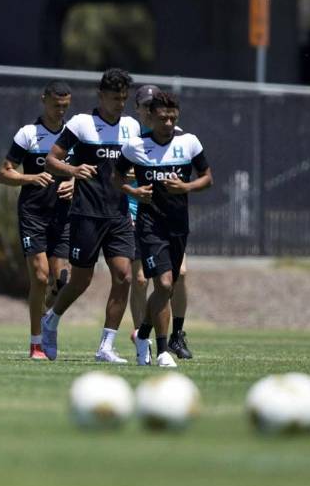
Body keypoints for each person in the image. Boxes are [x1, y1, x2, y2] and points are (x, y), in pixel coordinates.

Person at [40, 68, 141, 362]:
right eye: (114, 98)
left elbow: (131, 165)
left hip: (119, 215)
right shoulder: (82, 124)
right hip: (87, 214)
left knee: (123, 277)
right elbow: (51, 161)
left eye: (123, 98)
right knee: (81, 280)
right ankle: (52, 319)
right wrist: (73, 170)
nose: (120, 104)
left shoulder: (132, 127)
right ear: (101, 96)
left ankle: (106, 347)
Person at [115, 90, 212, 367]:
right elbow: (116, 177)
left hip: (179, 225)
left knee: (167, 288)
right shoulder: (135, 146)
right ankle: (162, 351)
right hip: (150, 224)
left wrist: (186, 187)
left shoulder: (189, 142)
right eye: (162, 117)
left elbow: (207, 178)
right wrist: (132, 193)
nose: (168, 123)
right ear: (151, 116)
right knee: (164, 283)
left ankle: (142, 335)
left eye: (172, 117)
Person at [0, 80, 75, 359]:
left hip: (63, 215)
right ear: (44, 100)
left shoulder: (73, 134)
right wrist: (31, 177)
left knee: (64, 279)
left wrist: (74, 184)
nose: (60, 111)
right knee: (40, 277)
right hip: (33, 213)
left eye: (65, 106)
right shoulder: (28, 134)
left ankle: (47, 319)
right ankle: (36, 343)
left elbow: (87, 172)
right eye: (56, 105)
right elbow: (4, 173)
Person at [125, 84, 193, 359]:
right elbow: (119, 171)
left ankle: (176, 334)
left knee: (180, 275)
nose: (152, 110)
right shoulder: (131, 135)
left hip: (169, 215)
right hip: (134, 211)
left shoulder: (174, 135)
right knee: (141, 279)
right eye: (146, 105)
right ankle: (141, 337)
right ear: (139, 109)